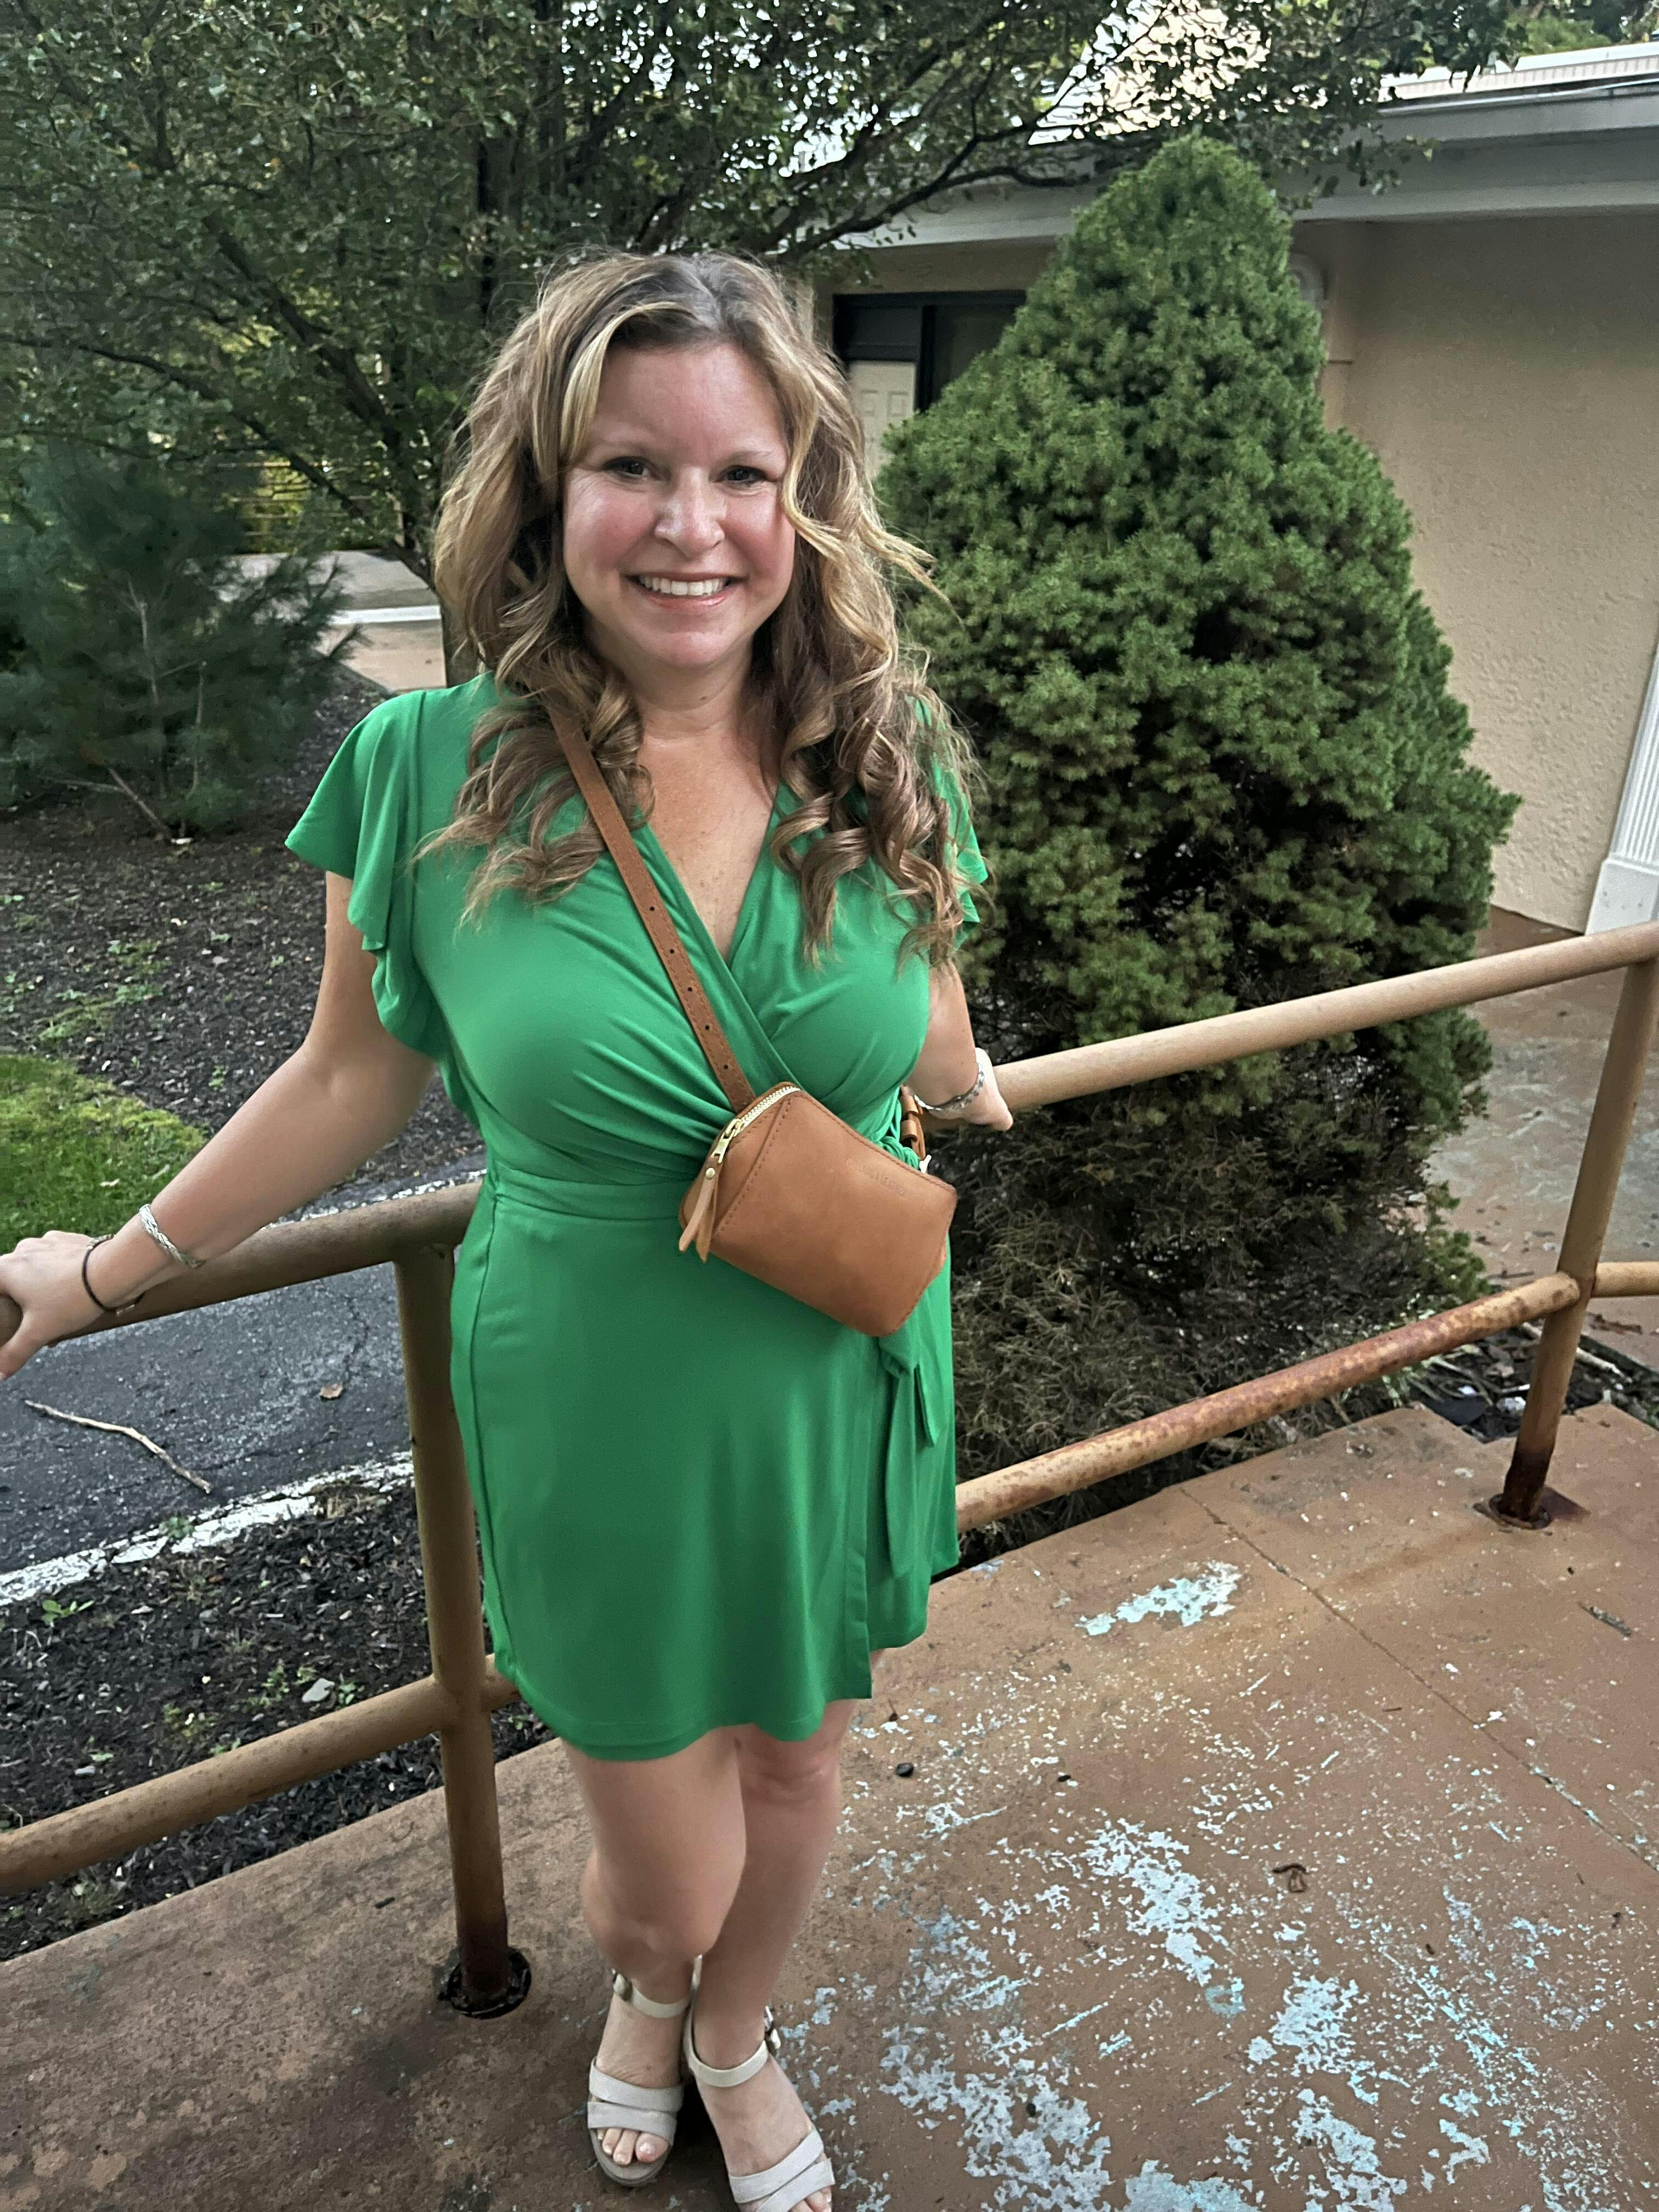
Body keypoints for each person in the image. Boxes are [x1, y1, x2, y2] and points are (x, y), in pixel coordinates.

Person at [0, 249, 1011, 2211]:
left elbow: (932, 988)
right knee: (665, 1861)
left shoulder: (884, 751)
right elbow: (342, 1083)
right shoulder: (428, 769)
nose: (694, 525)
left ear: (805, 499)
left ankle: (727, 2036)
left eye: (744, 473)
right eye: (634, 467)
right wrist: (102, 1275)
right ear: (550, 495)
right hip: (596, 1382)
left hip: (832, 1345)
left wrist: (962, 1071)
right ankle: (658, 1977)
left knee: (801, 1764)